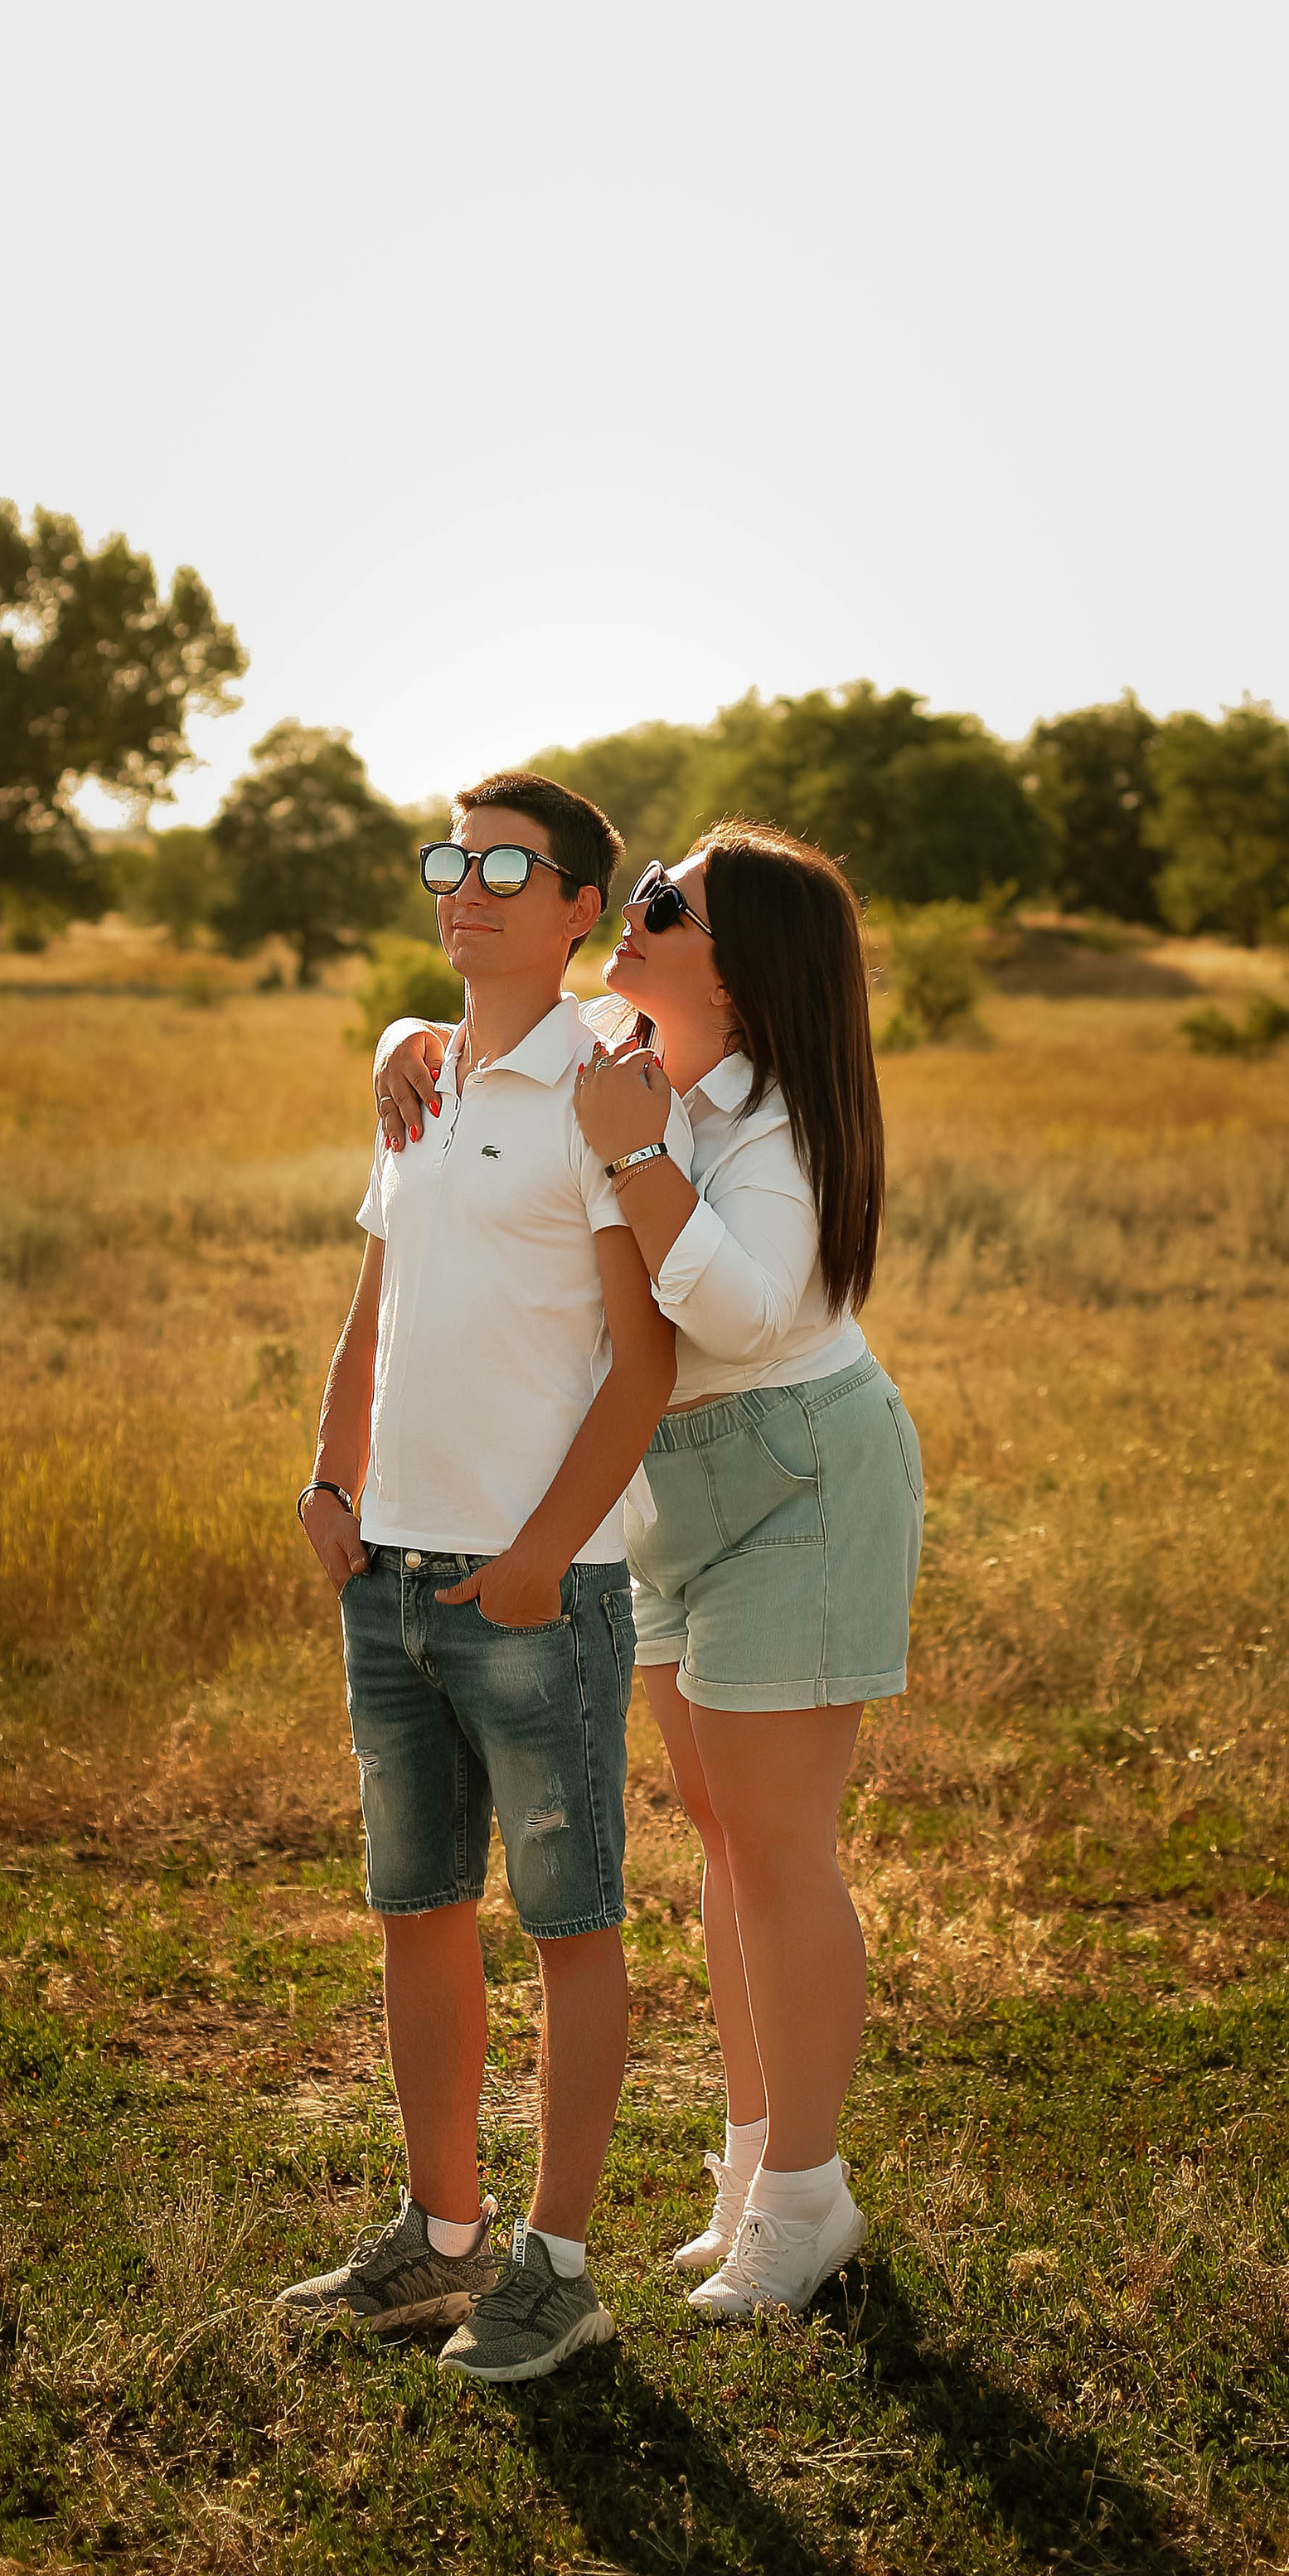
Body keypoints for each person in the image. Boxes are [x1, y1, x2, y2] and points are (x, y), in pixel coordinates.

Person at [375, 820, 922, 2322]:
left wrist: (631, 1152)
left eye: (667, 902)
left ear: (740, 971)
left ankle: (807, 2204)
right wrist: (411, 1034)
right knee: (728, 1845)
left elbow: (742, 1317)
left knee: (782, 1843)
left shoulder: (769, 1123)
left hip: (802, 1469)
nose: (636, 911)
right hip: (673, 1488)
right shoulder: (629, 1050)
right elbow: (490, 1028)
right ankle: (755, 2171)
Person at [275, 772, 684, 2385]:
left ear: (581, 905)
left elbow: (642, 1361)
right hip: (386, 1572)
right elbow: (374, 1299)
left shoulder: (605, 1088)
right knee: (415, 1911)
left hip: (540, 1591)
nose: (470, 884)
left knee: (569, 1928)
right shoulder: (421, 1079)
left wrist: (532, 1560)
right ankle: (434, 2235)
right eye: (451, 858)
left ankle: (557, 2267)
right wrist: (329, 1475)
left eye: (510, 864)